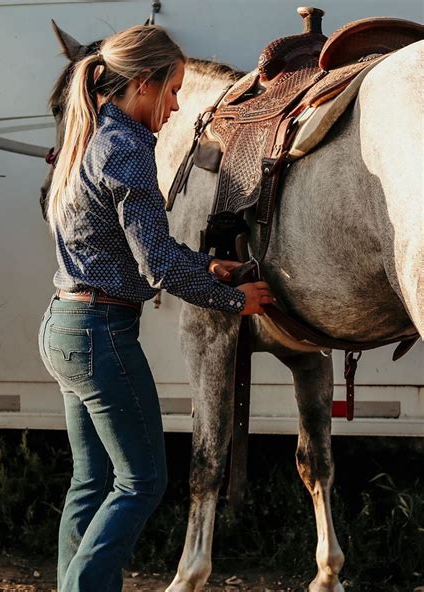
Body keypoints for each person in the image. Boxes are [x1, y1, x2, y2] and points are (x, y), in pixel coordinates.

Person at [38, 24, 273, 592]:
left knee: (91, 482)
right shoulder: (128, 149)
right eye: (171, 92)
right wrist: (231, 298)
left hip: (65, 326)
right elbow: (157, 266)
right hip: (102, 336)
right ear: (142, 84)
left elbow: (127, 245)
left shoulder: (87, 139)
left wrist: (202, 263)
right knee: (142, 481)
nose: (173, 108)